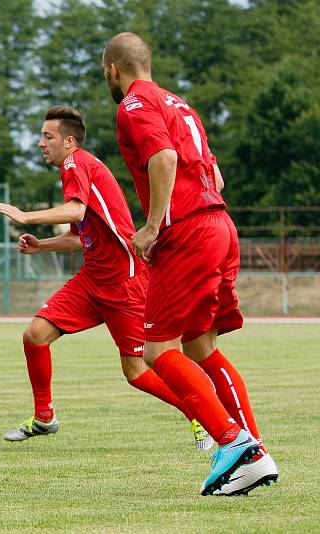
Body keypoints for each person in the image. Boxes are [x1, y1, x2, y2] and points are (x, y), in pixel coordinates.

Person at [101, 32, 278, 496]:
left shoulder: (134, 106)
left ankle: (233, 443)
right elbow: (214, 175)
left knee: (158, 351)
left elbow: (162, 157)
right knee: (201, 346)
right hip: (220, 224)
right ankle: (253, 450)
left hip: (188, 232)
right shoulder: (181, 105)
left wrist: (154, 225)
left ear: (113, 70)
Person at [0, 106, 211, 450]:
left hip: (124, 281)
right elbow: (81, 235)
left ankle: (200, 413)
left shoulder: (74, 163)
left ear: (69, 141)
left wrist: (25, 216)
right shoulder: (77, 167)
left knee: (137, 372)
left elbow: (75, 210)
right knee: (35, 335)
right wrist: (41, 247)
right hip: (93, 279)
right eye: (41, 136)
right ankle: (44, 417)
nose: (40, 143)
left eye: (47, 136)